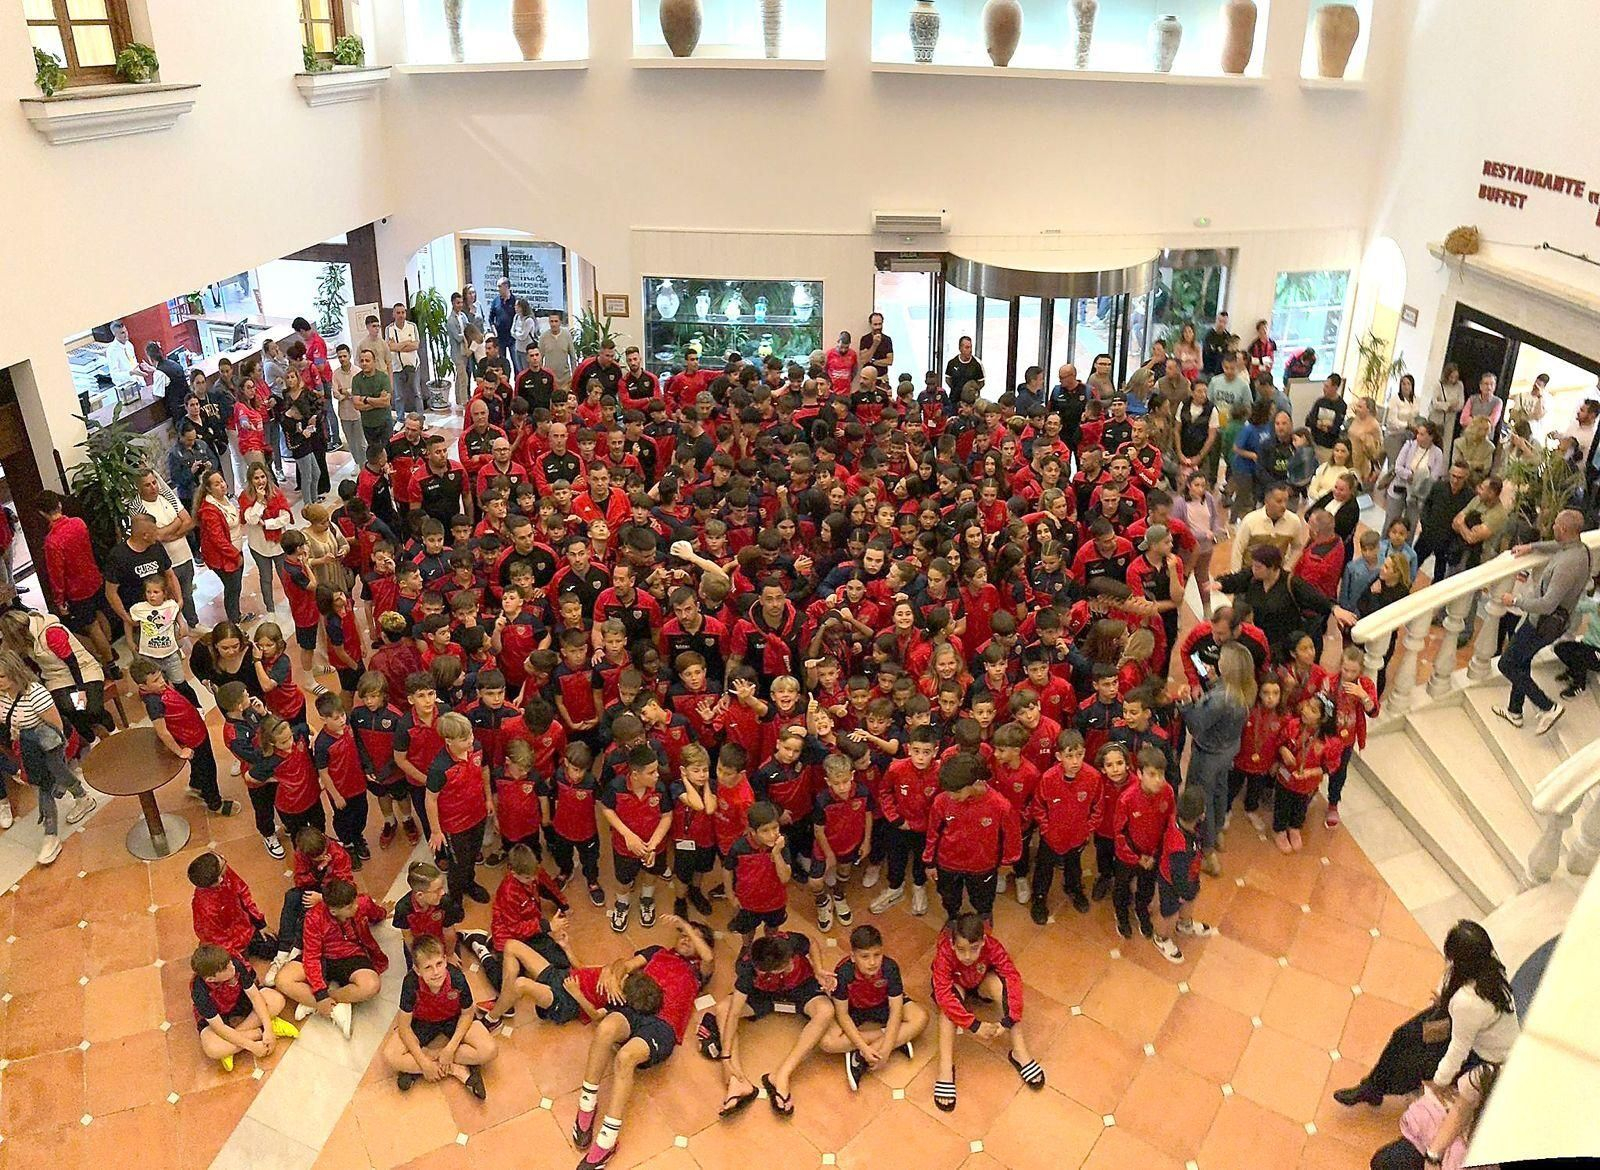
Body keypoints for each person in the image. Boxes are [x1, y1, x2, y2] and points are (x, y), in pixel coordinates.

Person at [571, 915, 715, 1168]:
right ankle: (587, 1105)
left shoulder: (698, 970)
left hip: (663, 1025)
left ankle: (607, 1141)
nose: (685, 938)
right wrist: (612, 975)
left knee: (625, 1058)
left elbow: (709, 958)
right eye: (682, 934)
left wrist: (685, 924)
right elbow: (624, 965)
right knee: (605, 1028)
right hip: (633, 1008)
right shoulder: (657, 952)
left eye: (694, 936)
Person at [1334, 920, 1518, 1109]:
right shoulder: (1487, 966)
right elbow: (1451, 975)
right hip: (1462, 1025)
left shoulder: (1469, 1002)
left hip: (1480, 1054)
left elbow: (1458, 1049)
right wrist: (1443, 995)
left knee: (1416, 1062)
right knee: (1404, 1035)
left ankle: (1378, 1089)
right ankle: (1372, 1087)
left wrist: (1440, 1081)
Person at [714, 927, 837, 1120]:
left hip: (801, 990)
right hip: (764, 995)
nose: (790, 965)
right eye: (785, 966)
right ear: (763, 970)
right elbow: (734, 1012)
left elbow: (811, 941)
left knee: (826, 1011)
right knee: (723, 1009)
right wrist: (726, 1057)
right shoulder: (747, 970)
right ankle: (737, 1082)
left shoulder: (787, 942)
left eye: (790, 961)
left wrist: (819, 969)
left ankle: (780, 1076)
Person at [1493, 508, 1591, 735]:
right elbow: (1558, 547)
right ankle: (1515, 710)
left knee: (1506, 664)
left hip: (1542, 624)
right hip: (1551, 622)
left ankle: (1548, 706)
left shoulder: (1567, 565)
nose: (1553, 527)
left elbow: (1547, 604)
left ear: (1564, 529)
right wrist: (1533, 547)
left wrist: (1515, 600)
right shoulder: (1580, 549)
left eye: (1556, 524)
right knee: (1522, 660)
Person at [930, 913, 1040, 1111]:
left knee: (1001, 987)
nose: (967, 956)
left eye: (974, 949)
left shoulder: (993, 946)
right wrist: (974, 1025)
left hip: (981, 982)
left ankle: (1020, 1052)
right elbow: (943, 995)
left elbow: (1012, 979)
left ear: (983, 942)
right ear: (952, 944)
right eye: (961, 950)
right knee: (947, 1010)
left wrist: (1008, 1020)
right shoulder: (944, 954)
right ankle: (945, 1069)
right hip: (957, 985)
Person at [0, 650, 96, 865]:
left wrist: (55, 756)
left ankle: (50, 835)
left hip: (50, 743)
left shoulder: (36, 694)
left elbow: (57, 728)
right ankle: (82, 797)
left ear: (14, 673)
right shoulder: (3, 697)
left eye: (1, 676)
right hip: (26, 746)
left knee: (47, 783)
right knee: (48, 782)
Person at [273, 878, 388, 1041]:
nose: (356, 907)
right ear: (334, 911)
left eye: (354, 902)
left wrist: (383, 912)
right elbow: (312, 957)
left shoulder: (361, 903)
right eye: (350, 907)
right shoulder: (314, 918)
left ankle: (319, 1002)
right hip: (323, 958)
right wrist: (320, 995)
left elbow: (375, 912)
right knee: (283, 980)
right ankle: (336, 1009)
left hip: (352, 955)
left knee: (371, 985)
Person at [1176, 642, 1256, 875]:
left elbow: (1196, 724)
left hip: (1208, 755)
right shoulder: (1245, 689)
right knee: (1220, 790)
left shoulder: (1220, 699)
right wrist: (1212, 682)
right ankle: (1218, 831)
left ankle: (1208, 850)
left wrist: (1186, 704)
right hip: (1228, 748)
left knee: (1203, 800)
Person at [383, 934, 495, 1098]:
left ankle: (427, 1063)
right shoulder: (410, 983)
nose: (436, 972)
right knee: (390, 1055)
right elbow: (404, 1026)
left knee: (490, 1050)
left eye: (439, 964)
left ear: (445, 960)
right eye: (428, 967)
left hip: (454, 1018)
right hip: (422, 1022)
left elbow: (467, 1013)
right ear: (417, 970)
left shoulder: (457, 978)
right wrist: (423, 1062)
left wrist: (450, 1049)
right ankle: (457, 1070)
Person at [819, 923, 928, 1090]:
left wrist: (885, 1049)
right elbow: (842, 1015)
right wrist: (865, 1045)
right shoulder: (843, 973)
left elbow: (896, 1009)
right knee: (827, 1042)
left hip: (883, 1005)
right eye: (865, 956)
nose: (872, 962)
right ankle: (898, 1039)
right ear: (853, 957)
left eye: (877, 955)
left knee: (921, 1017)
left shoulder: (890, 967)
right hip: (855, 1010)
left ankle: (861, 1058)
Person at [189, 944, 297, 1073]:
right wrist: (252, 1046)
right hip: (220, 1014)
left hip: (242, 1001)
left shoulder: (234, 964)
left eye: (229, 962)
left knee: (276, 999)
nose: (232, 967)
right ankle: (257, 1032)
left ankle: (231, 1047)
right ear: (211, 979)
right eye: (226, 968)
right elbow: (219, 1027)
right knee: (212, 1048)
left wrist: (268, 1028)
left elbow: (255, 997)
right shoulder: (199, 991)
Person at [128, 469, 198, 627]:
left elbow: (188, 521)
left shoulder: (167, 497)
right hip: (165, 563)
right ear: (139, 488)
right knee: (169, 598)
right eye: (147, 485)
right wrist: (176, 524)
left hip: (184, 555)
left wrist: (168, 533)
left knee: (187, 594)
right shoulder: (138, 508)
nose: (153, 487)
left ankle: (193, 623)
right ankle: (173, 628)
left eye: (154, 483)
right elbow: (156, 537)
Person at [1381, 421, 1446, 531]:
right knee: (1391, 521)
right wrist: (1409, 475)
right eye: (1418, 433)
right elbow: (1398, 467)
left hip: (1418, 494)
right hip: (1400, 488)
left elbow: (1435, 476)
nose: (1418, 437)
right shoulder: (1409, 445)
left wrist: (1420, 479)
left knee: (1410, 525)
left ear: (1431, 437)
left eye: (1422, 434)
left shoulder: (1437, 453)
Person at [538, 310, 577, 394]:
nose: (554, 324)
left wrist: (574, 375)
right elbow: (539, 358)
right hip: (549, 378)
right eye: (551, 321)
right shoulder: (543, 337)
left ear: (560, 322)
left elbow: (573, 357)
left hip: (565, 378)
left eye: (556, 321)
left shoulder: (567, 335)